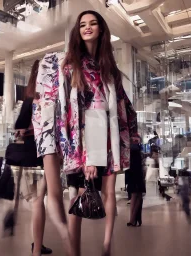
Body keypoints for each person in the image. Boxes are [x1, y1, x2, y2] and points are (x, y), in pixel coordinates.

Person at [33, 10, 137, 256]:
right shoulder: (71, 65)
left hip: (108, 137)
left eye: (92, 23)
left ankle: (106, 247)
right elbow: (76, 111)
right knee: (77, 197)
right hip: (82, 142)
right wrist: (86, 155)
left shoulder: (108, 68)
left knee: (107, 192)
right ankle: (74, 252)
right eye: (82, 24)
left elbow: (120, 105)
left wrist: (130, 133)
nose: (87, 27)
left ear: (101, 29)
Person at [15, 60, 52, 256]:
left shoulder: (29, 98)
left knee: (37, 202)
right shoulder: (47, 97)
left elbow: (19, 129)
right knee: (40, 202)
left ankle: (37, 243)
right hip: (41, 155)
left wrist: (26, 129)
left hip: (29, 156)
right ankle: (37, 247)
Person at [126, 136, 146, 227]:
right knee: (137, 197)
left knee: (134, 197)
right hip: (137, 175)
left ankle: (132, 219)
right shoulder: (138, 152)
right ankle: (134, 219)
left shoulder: (129, 152)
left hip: (132, 175)